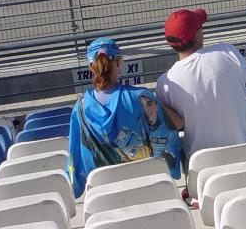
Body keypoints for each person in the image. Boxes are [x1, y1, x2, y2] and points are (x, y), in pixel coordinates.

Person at [68, 38, 182, 197]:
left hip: (104, 196)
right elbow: (169, 130)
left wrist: (76, 187)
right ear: (118, 63)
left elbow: (76, 154)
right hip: (144, 190)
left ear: (90, 68)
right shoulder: (142, 98)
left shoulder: (79, 108)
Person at [156, 8, 246, 162]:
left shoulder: (164, 83)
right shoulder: (226, 51)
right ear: (197, 36)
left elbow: (177, 125)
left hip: (204, 162)